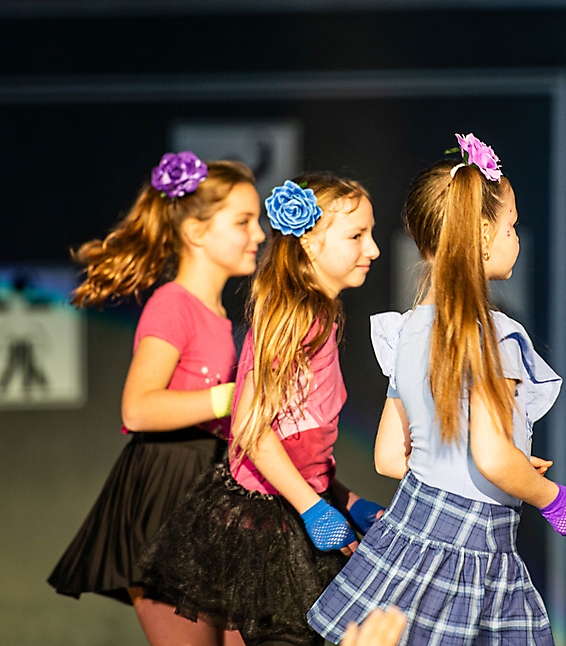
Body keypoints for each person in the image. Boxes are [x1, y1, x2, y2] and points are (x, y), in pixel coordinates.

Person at [308, 133, 566, 645]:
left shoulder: (409, 330)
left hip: (413, 534)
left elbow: (390, 458)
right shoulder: (491, 335)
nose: (515, 238)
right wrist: (555, 499)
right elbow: (492, 456)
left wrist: (490, 462)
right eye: (510, 226)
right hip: (471, 550)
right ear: (482, 235)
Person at [139, 174, 384, 646]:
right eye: (356, 236)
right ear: (309, 243)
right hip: (267, 524)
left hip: (294, 509)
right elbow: (252, 429)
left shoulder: (322, 316)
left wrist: (345, 499)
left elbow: (298, 438)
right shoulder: (296, 318)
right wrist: (313, 508)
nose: (372, 249)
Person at [48, 152, 262, 646]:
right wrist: (232, 398)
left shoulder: (216, 315)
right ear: (197, 232)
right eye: (243, 222)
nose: (258, 235)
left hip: (210, 495)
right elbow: (138, 407)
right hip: (166, 498)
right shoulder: (173, 305)